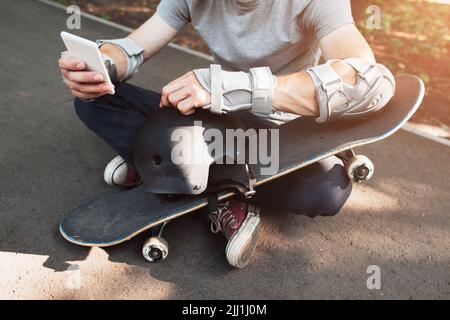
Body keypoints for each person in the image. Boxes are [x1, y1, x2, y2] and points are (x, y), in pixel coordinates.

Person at [58, 0, 395, 268]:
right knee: (95, 101)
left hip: (272, 135)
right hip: (213, 120)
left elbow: (367, 80)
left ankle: (161, 162)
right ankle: (211, 184)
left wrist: (230, 86)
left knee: (327, 191)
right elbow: (134, 47)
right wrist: (103, 66)